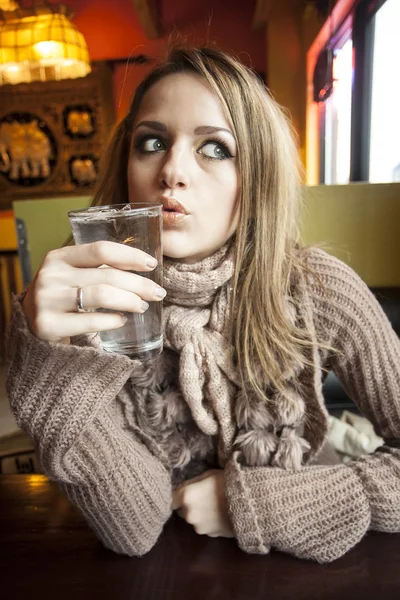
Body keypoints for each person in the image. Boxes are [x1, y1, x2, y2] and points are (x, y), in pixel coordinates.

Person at [6, 45, 400, 564]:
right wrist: (50, 358)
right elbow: (135, 528)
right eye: (152, 142)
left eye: (215, 148)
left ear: (256, 174)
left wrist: (258, 504)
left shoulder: (319, 290)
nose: (171, 171)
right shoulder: (90, 301)